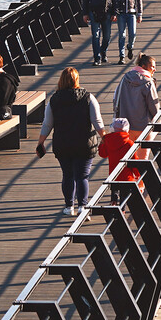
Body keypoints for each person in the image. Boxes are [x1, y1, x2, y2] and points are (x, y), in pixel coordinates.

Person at [36, 67, 105, 217]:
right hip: (84, 143)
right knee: (82, 176)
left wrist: (41, 142)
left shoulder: (54, 100)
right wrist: (104, 137)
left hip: (63, 144)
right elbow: (97, 120)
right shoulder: (88, 97)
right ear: (76, 80)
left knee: (67, 175)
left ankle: (69, 206)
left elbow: (47, 124)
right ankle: (82, 207)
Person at [112, 53, 158, 142]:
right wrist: (158, 122)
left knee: (129, 154)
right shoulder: (148, 83)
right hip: (143, 126)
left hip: (126, 125)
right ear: (144, 67)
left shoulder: (125, 79)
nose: (154, 69)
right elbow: (153, 105)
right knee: (143, 155)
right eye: (152, 67)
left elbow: (116, 98)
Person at [80, 0, 117, 65]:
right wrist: (85, 13)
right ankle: (97, 58)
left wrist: (115, 12)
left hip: (107, 11)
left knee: (107, 36)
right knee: (95, 36)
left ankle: (103, 51)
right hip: (93, 11)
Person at [98, 118, 142, 206]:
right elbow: (134, 160)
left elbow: (103, 154)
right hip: (126, 177)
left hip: (113, 174)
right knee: (124, 197)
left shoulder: (108, 141)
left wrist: (102, 143)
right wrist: (138, 174)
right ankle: (122, 210)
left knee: (114, 191)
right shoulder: (129, 144)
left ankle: (113, 203)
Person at [112, 0, 142, 64]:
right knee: (122, 34)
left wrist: (139, 14)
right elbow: (113, 1)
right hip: (120, 14)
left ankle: (130, 46)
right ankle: (122, 56)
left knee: (132, 33)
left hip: (131, 13)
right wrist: (114, 13)